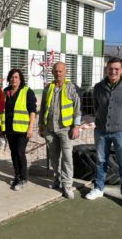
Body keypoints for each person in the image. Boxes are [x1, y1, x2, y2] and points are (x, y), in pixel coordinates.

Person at [38, 62, 81, 199]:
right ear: (52, 72)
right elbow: (43, 109)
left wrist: (76, 126)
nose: (58, 73)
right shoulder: (48, 88)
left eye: (61, 71)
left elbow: (77, 109)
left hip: (66, 129)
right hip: (50, 128)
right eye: (56, 71)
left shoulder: (71, 88)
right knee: (54, 157)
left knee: (67, 157)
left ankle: (67, 185)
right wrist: (41, 125)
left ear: (65, 72)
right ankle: (57, 179)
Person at [85, 58, 122, 201]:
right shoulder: (98, 87)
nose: (113, 71)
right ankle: (98, 188)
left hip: (121, 132)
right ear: (106, 69)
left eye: (116, 69)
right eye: (110, 68)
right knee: (101, 161)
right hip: (101, 131)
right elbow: (97, 108)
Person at [2, 69, 37, 190]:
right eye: (12, 77)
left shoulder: (27, 91)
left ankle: (23, 178)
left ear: (20, 79)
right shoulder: (5, 92)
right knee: (13, 153)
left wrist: (30, 127)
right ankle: (17, 176)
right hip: (9, 129)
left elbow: (32, 111)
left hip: (23, 129)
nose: (14, 79)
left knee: (19, 152)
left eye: (16, 77)